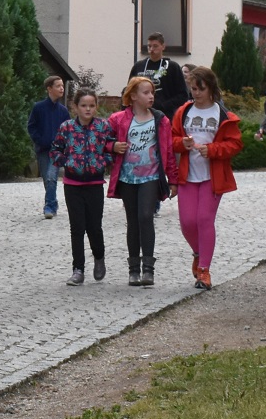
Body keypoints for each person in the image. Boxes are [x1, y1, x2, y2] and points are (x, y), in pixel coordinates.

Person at [171, 66, 243, 290]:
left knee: (204, 219)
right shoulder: (183, 112)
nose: (196, 93)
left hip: (212, 176)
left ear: (211, 88)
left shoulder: (223, 115)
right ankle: (198, 252)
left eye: (200, 89)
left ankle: (204, 270)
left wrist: (212, 150)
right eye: (193, 89)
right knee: (187, 222)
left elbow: (235, 144)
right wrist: (181, 144)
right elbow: (171, 139)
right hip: (188, 175)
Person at [106, 75, 171, 287]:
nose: (151, 96)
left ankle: (148, 269)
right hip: (127, 177)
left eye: (152, 92)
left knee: (145, 216)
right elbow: (102, 140)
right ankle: (133, 270)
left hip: (150, 176)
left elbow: (168, 151)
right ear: (133, 96)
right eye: (146, 92)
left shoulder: (160, 120)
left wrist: (174, 179)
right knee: (133, 220)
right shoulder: (118, 119)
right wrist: (113, 146)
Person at [49, 87, 114, 284]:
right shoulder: (67, 127)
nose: (88, 109)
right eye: (84, 105)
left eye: (91, 105)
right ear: (75, 107)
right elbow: (55, 150)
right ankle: (78, 269)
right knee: (77, 227)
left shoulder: (103, 127)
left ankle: (99, 256)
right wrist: (67, 162)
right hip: (73, 184)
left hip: (94, 183)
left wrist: (102, 162)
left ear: (96, 107)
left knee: (94, 226)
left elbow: (111, 149)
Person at [26, 75, 70, 219]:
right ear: (49, 89)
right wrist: (40, 140)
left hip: (57, 151)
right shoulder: (38, 108)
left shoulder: (63, 111)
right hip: (43, 150)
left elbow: (68, 129)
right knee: (47, 179)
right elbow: (31, 126)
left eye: (62, 85)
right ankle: (53, 203)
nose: (61, 88)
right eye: (58, 86)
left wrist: (63, 145)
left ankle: (49, 206)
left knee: (51, 177)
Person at [128, 32, 192, 121]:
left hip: (164, 116)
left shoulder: (172, 67)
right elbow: (129, 90)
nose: (151, 49)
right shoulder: (138, 66)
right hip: (139, 115)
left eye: (155, 46)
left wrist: (164, 105)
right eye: (149, 46)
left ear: (163, 46)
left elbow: (183, 95)